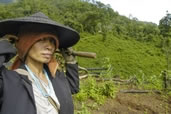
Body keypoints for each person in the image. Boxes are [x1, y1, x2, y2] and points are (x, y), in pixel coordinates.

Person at [0, 12, 80, 114]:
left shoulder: (55, 76)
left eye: (52, 41)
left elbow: (72, 88)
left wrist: (71, 62)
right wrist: (3, 47)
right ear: (26, 43)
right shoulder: (8, 80)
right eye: (41, 39)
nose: (49, 46)